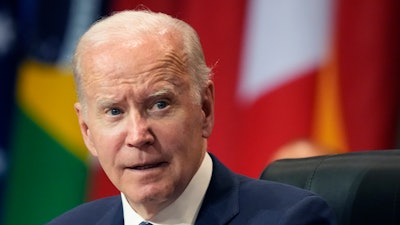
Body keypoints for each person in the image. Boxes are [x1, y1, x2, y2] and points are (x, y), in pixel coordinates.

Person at [47, 10, 336, 225]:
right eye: (114, 111)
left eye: (159, 104)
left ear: (205, 108)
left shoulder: (292, 219)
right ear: (86, 130)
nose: (137, 136)